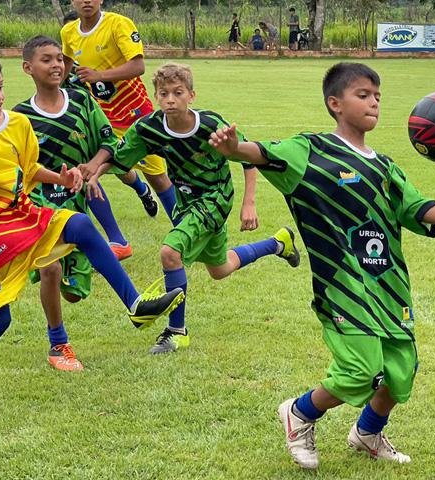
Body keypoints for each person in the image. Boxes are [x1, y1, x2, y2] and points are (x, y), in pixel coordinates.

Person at [209, 63, 435, 469]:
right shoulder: (309, 150)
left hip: (388, 284)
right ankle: (299, 413)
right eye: (363, 95)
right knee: (359, 372)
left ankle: (367, 434)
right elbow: (262, 153)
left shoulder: (385, 166)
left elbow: (417, 207)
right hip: (342, 287)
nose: (373, 103)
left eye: (378, 97)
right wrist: (233, 149)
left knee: (401, 375)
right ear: (335, 103)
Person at [0, 53, 185, 411]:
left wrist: (61, 177)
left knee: (80, 224)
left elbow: (28, 169)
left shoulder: (16, 124)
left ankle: (135, 305)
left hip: (23, 217)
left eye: (0, 87)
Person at [84, 62, 301, 354]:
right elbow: (121, 157)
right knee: (220, 269)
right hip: (186, 202)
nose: (170, 99)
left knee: (170, 252)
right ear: (156, 96)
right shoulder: (149, 128)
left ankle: (177, 331)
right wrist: (96, 171)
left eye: (178, 92)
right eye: (163, 94)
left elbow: (250, 157)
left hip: (215, 198)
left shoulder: (211, 125)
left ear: (191, 95)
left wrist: (249, 204)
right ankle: (278, 243)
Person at [12, 35, 135, 372]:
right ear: (28, 68)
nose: (56, 65)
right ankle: (58, 344)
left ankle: (87, 266)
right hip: (38, 206)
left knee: (74, 293)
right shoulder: (19, 118)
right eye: (46, 60)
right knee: (49, 268)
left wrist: (94, 168)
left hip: (76, 207)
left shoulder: (82, 102)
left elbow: (111, 142)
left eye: (59, 59)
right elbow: (19, 168)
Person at [61, 0, 176, 221]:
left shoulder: (118, 24)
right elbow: (65, 65)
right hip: (102, 118)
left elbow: (138, 67)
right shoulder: (69, 32)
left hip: (136, 113)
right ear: (72, 0)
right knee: (90, 169)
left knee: (157, 177)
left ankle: (181, 226)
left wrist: (98, 75)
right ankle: (118, 241)